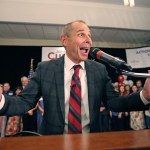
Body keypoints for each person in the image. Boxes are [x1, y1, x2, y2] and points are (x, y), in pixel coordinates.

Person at [0, 20, 150, 135]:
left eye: (90, 36)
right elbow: (25, 101)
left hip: (91, 142)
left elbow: (115, 102)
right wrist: (1, 101)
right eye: (81, 34)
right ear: (64, 40)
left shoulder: (99, 70)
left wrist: (144, 95)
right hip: (53, 143)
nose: (88, 40)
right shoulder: (45, 69)